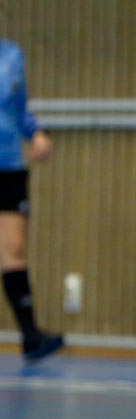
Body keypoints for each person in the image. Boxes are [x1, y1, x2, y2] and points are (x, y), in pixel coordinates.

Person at [1, 25, 64, 361]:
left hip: (8, 164)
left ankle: (30, 336)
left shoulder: (12, 56)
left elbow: (19, 107)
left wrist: (36, 132)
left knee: (14, 249)